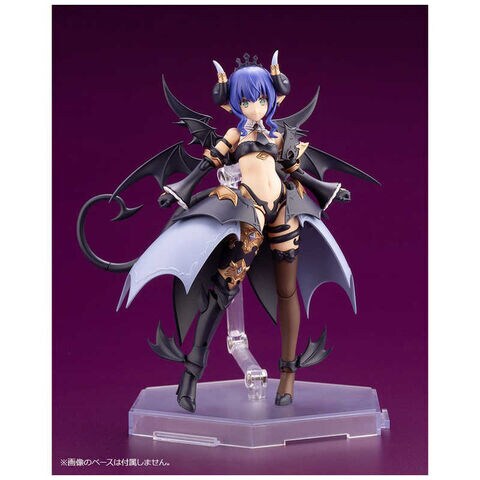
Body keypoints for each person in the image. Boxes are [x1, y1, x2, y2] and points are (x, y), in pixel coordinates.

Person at [77, 51, 379, 413]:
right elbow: (207, 164)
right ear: (233, 102)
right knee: (222, 291)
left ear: (273, 97)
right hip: (250, 211)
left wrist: (328, 190)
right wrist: (180, 189)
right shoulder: (235, 134)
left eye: (261, 99)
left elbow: (296, 171)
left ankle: (287, 374)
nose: (255, 107)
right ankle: (191, 372)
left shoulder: (280, 135)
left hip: (284, 210)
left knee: (287, 292)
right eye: (246, 101)